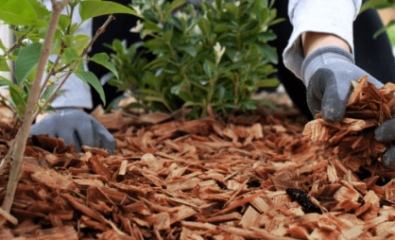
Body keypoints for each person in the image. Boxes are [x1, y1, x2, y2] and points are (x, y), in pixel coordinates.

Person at [30, 0, 395, 167]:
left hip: (259, 20)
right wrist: (61, 99)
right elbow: (56, 8)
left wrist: (327, 54)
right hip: (146, 20)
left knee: (362, 40)